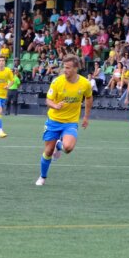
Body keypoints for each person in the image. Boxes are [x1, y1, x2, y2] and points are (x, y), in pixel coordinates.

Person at [36, 55, 93, 186]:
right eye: (64, 67)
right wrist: (55, 105)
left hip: (70, 122)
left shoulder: (85, 83)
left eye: (67, 68)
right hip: (53, 121)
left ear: (75, 68)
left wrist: (86, 117)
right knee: (48, 152)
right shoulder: (57, 82)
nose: (64, 70)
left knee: (68, 148)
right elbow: (48, 100)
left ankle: (59, 145)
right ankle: (42, 177)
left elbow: (89, 98)